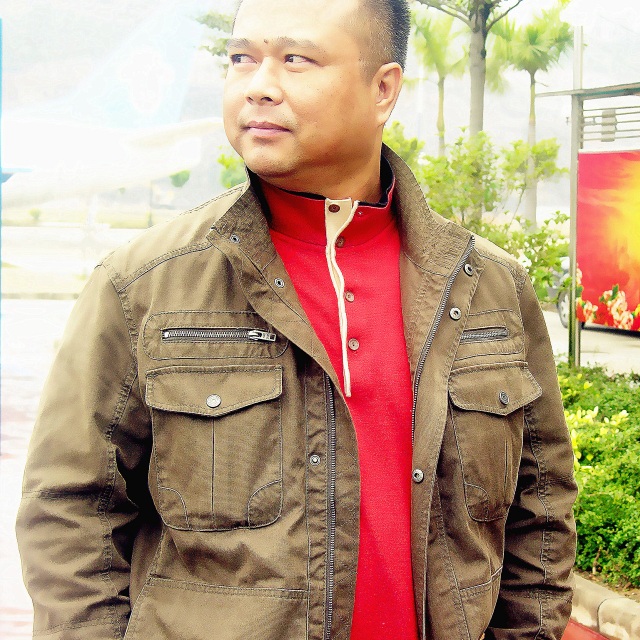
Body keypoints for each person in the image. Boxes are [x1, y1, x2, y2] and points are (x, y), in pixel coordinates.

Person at [16, 0, 577, 638]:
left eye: (295, 59)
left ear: (383, 89)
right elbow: (69, 512)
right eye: (241, 58)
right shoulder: (143, 284)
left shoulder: (489, 286)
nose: (258, 86)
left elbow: (540, 507)